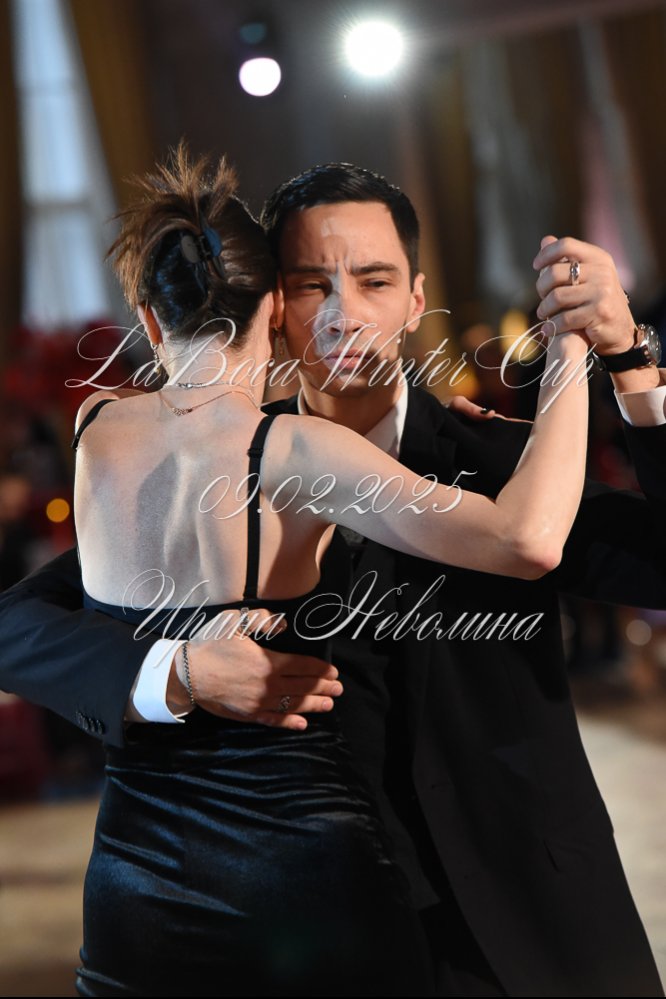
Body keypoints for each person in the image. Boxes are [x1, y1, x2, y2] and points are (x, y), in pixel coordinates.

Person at [0, 158, 664, 996]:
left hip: (521, 923)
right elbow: (18, 625)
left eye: (374, 280)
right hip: (301, 924)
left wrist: (632, 365)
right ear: (274, 304)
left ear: (415, 301)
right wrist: (177, 670)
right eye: (314, 283)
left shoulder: (505, 461)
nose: (344, 312)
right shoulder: (217, 467)